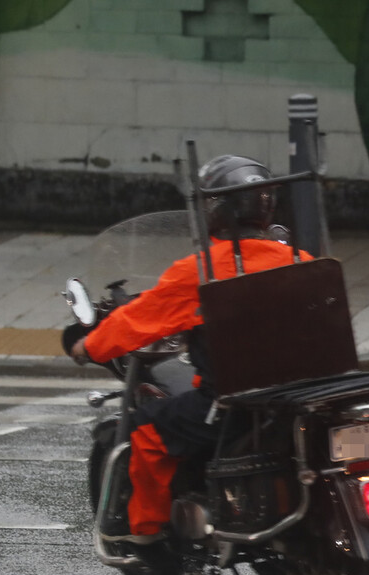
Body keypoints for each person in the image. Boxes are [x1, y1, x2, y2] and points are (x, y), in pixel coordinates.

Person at [70, 154, 313, 543]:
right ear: (266, 209)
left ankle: (146, 532)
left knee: (145, 432)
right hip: (300, 396)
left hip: (235, 405)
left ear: (218, 209)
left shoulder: (202, 270)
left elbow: (138, 320)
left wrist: (89, 345)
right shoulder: (301, 260)